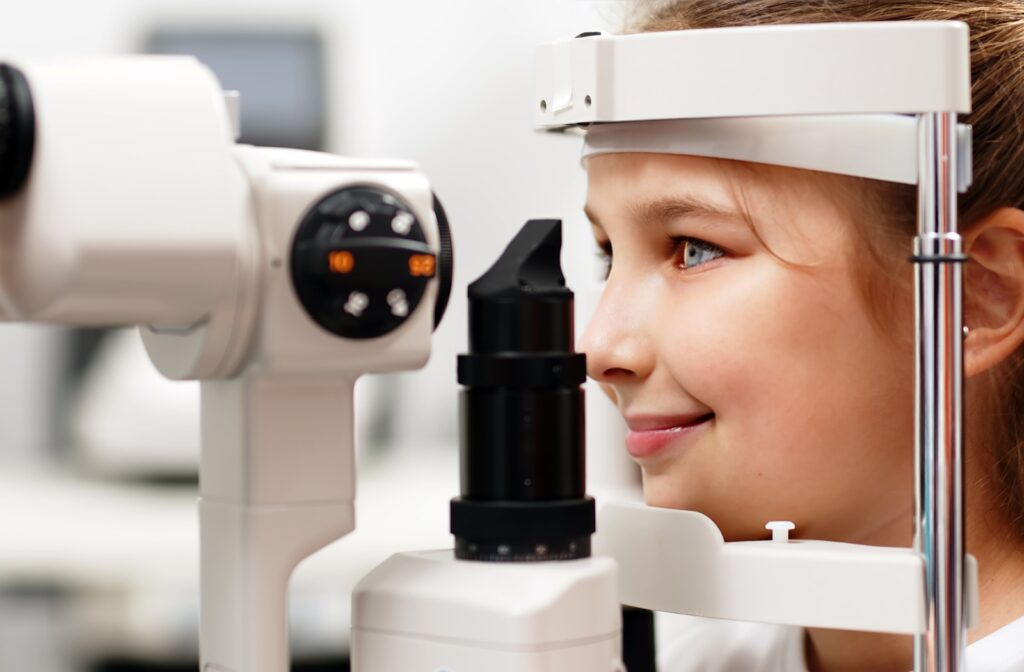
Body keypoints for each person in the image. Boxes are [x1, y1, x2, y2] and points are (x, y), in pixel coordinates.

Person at [578, 1, 1024, 670]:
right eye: (609, 253)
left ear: (977, 297)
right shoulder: (681, 656)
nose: (600, 349)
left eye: (694, 249)